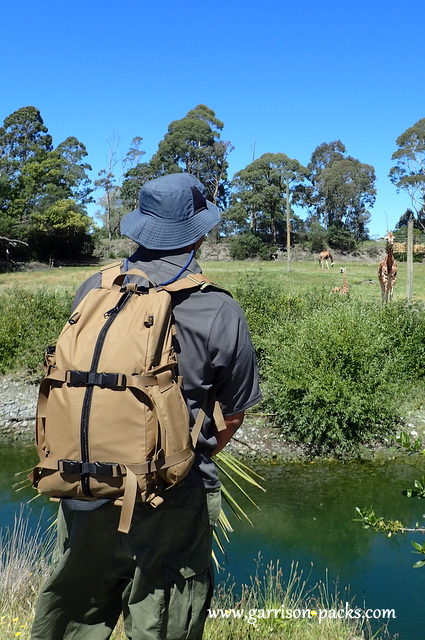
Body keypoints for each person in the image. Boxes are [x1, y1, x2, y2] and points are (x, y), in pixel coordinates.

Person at [31, 172, 262, 640]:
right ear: (199, 232)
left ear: (141, 227)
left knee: (75, 611)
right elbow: (233, 413)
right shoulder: (217, 308)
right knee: (164, 618)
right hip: (171, 499)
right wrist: (174, 455)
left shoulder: (95, 287)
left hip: (85, 484)